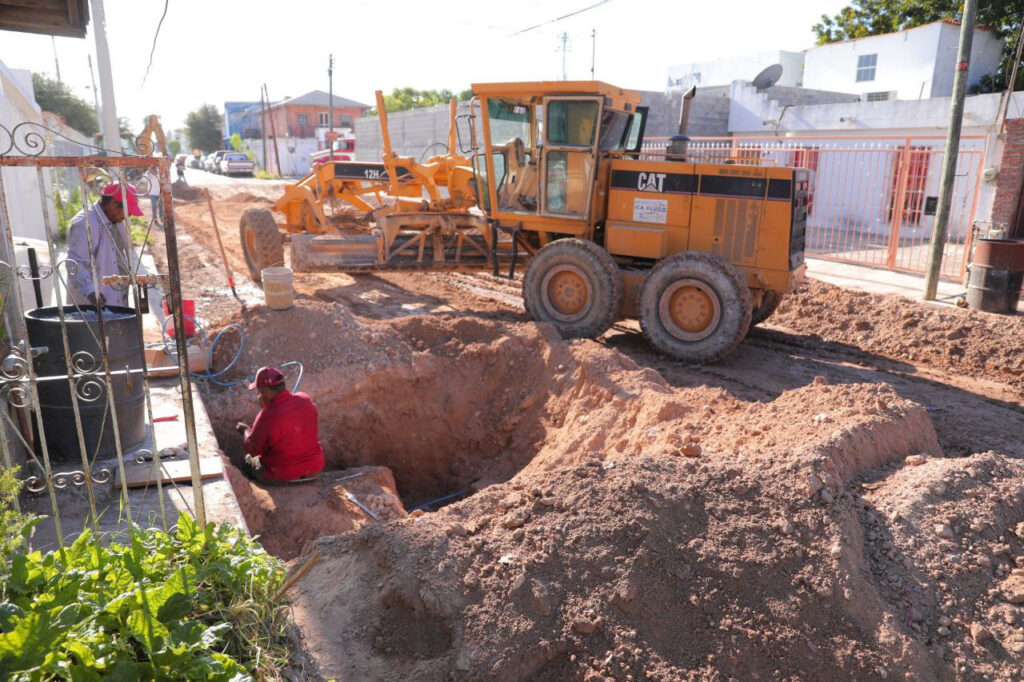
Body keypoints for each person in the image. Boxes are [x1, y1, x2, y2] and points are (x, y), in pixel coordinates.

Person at [235, 366, 325, 484]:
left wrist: (245, 430)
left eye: (259, 391)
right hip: (315, 469)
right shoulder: (305, 399)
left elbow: (253, 450)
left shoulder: (266, 416)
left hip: (283, 474)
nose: (258, 395)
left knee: (248, 460)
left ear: (266, 391)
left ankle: (254, 487)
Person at [65, 182, 143, 308]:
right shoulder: (85, 223)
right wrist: (91, 291)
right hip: (94, 304)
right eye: (128, 210)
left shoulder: (115, 219)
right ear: (113, 204)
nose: (129, 215)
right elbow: (74, 263)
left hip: (117, 295)